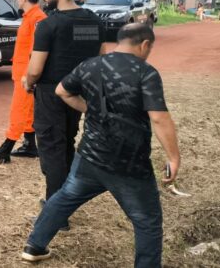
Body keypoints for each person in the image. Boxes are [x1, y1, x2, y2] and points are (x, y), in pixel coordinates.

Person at [22, 23, 181, 266]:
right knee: (147, 221)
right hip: (129, 163)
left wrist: (91, 109)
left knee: (65, 197)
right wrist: (174, 158)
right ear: (145, 44)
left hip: (90, 156)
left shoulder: (90, 65)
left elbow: (62, 91)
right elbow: (159, 118)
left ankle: (34, 245)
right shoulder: (146, 73)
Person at [24, 0, 106, 210]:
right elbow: (101, 56)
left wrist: (28, 82)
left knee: (52, 147)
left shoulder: (49, 25)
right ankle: (64, 200)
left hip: (51, 94)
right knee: (67, 142)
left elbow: (36, 69)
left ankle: (56, 209)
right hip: (78, 93)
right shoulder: (92, 21)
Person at [0, 0, 48, 163]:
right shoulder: (30, 17)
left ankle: (6, 147)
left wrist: (29, 75)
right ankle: (30, 146)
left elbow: (36, 50)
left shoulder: (37, 18)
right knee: (27, 109)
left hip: (26, 74)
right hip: (22, 72)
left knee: (19, 109)